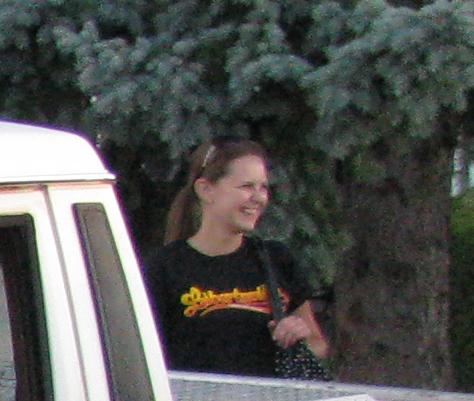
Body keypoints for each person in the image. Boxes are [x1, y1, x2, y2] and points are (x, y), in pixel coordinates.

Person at [139, 138, 334, 378]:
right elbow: (143, 360)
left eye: (263, 187)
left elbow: (319, 346)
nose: (259, 197)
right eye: (247, 186)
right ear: (205, 190)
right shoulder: (164, 267)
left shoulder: (275, 260)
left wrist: (300, 335)